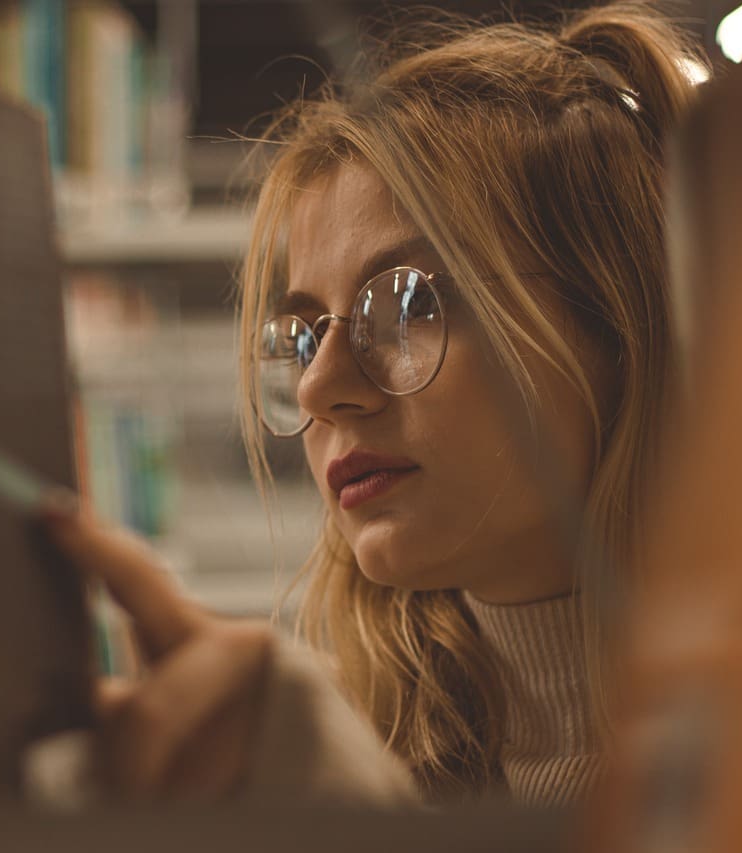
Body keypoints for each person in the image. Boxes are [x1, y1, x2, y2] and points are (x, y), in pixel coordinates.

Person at [41, 1, 704, 807]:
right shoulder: (351, 749)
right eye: (301, 334)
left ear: (624, 319)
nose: (319, 387)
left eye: (405, 305)